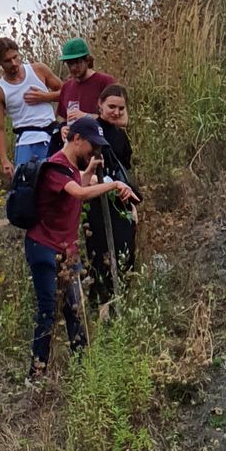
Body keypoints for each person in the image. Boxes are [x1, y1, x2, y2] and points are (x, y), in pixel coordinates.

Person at [24, 117, 137, 379]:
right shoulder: (55, 165)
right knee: (48, 308)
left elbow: (79, 185)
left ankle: (82, 368)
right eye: (91, 145)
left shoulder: (73, 167)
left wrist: (91, 172)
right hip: (43, 246)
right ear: (76, 139)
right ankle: (36, 374)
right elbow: (78, 193)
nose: (93, 151)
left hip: (67, 250)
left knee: (75, 308)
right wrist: (114, 184)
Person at [81, 84, 138, 312]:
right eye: (111, 106)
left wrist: (134, 206)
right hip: (96, 199)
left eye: (120, 108)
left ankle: (119, 302)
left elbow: (125, 171)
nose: (115, 111)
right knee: (99, 253)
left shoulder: (121, 136)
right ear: (100, 105)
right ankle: (101, 306)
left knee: (126, 250)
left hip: (121, 198)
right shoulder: (90, 130)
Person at [0, 37, 61, 183]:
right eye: (7, 61)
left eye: (15, 57)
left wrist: (46, 97)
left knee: (58, 182)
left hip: (51, 136)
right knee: (27, 188)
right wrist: (4, 160)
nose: (14, 63)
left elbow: (66, 91)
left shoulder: (38, 70)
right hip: (25, 141)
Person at [55, 38, 117, 126]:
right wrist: (62, 129)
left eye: (77, 62)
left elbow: (115, 117)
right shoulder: (66, 87)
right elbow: (62, 118)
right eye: (69, 63)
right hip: (74, 138)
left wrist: (86, 117)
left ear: (87, 60)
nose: (73, 67)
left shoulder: (105, 82)